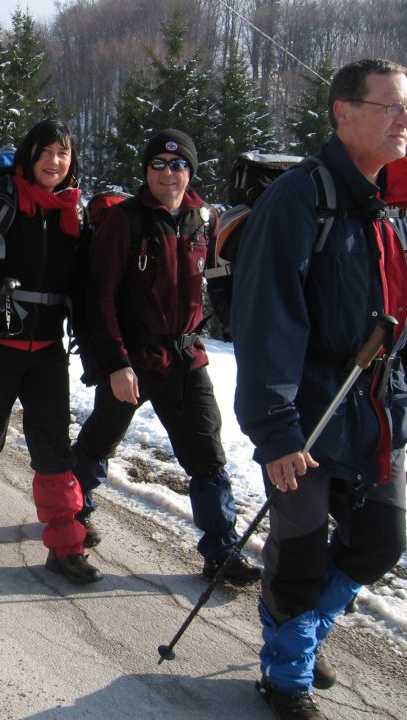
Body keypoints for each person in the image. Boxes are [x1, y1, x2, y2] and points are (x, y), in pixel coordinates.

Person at [232, 59, 407, 720]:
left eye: (406, 107)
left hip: (374, 412)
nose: (403, 120)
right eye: (389, 106)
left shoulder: (388, 206)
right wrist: (274, 429)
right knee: (301, 554)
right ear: (344, 112)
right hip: (306, 414)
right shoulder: (300, 199)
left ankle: (303, 632)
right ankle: (286, 673)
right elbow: (266, 320)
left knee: (381, 542)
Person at [70, 129, 262, 585]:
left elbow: (219, 280)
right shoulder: (125, 221)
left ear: (190, 172)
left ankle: (221, 550)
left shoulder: (204, 219)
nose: (169, 173)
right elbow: (101, 299)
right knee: (99, 443)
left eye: (178, 165)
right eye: (158, 164)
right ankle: (72, 519)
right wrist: (116, 363)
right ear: (146, 171)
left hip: (186, 358)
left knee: (207, 454)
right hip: (135, 358)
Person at [0, 119, 101, 584]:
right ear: (31, 156)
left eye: (63, 154)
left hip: (48, 348)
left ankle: (65, 545)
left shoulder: (74, 212)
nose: (55, 161)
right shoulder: (1, 201)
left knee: (53, 446)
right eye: (47, 152)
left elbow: (85, 287)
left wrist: (93, 347)